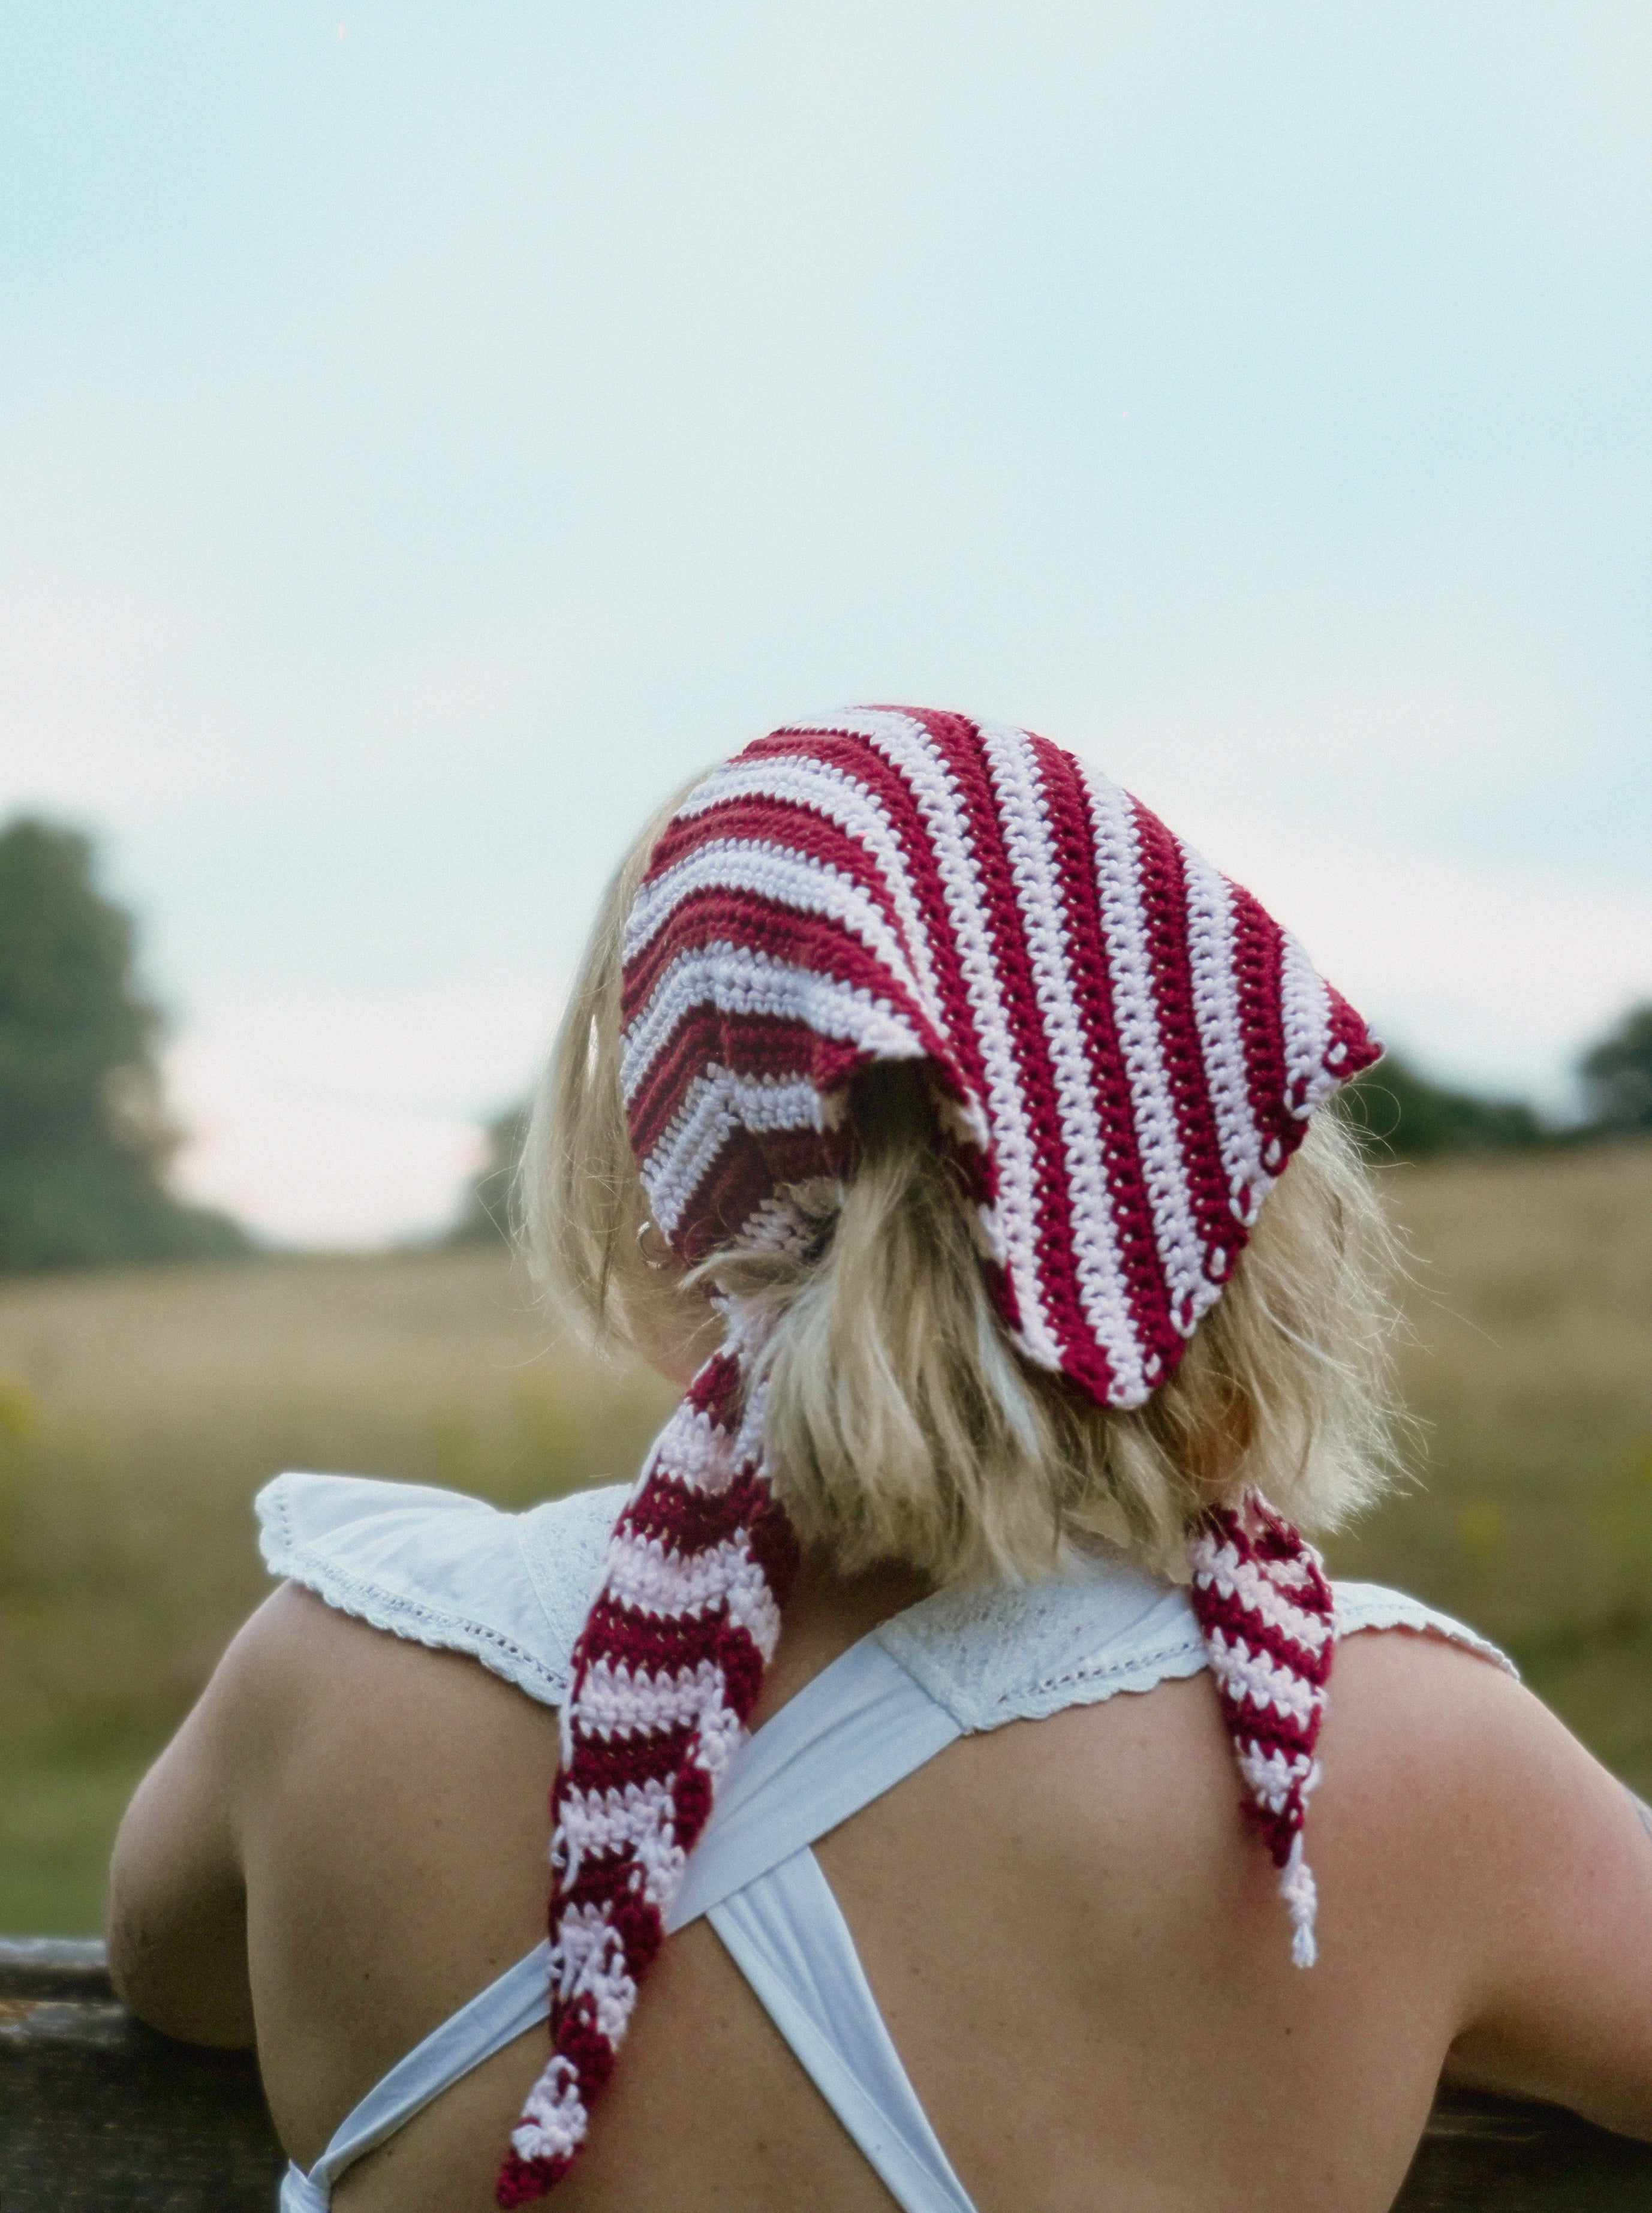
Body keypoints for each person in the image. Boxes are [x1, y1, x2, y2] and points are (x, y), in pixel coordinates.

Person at [107, 707, 1652, 2213]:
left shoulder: (331, 1679)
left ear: (668, 1200)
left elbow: (170, 1980)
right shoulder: (1390, 1767)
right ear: (1217, 1175)